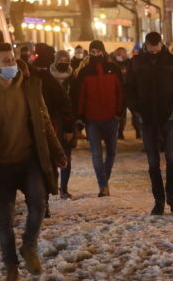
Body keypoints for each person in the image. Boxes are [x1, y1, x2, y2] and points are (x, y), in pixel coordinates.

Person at [0, 43, 67, 280]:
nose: (12, 64)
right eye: (6, 61)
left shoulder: (30, 86)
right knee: (4, 219)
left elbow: (45, 122)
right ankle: (11, 266)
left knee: (39, 204)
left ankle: (28, 245)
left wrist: (58, 151)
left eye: (13, 59)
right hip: (0, 166)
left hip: (29, 160)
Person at [125, 32, 173, 215]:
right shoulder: (137, 61)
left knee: (172, 159)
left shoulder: (170, 60)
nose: (154, 49)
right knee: (153, 163)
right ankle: (159, 200)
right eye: (151, 45)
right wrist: (136, 107)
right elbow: (128, 86)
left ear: (161, 44)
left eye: (157, 45)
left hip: (167, 116)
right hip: (146, 118)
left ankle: (172, 196)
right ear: (146, 45)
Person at [30, 45, 75, 214]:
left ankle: (45, 201)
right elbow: (65, 103)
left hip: (50, 126)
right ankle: (44, 200)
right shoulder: (40, 77)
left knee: (46, 163)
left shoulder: (42, 78)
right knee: (45, 164)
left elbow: (64, 103)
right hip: (48, 126)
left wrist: (69, 126)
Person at [76, 40, 123, 197]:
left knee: (111, 152)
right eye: (92, 52)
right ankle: (102, 185)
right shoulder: (85, 72)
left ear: (103, 51)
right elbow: (80, 96)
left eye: (97, 51)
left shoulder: (114, 69)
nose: (95, 54)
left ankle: (104, 180)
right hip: (92, 119)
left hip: (111, 117)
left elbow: (120, 92)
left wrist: (119, 112)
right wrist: (80, 117)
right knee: (96, 153)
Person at [49, 50, 77, 199]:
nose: (63, 62)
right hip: (51, 120)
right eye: (60, 59)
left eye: (66, 59)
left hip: (68, 120)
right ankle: (52, 185)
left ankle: (64, 188)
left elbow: (77, 98)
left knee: (66, 154)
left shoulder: (73, 77)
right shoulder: (48, 77)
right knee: (51, 155)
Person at [111, 47, 134, 140]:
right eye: (118, 53)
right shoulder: (113, 64)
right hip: (119, 92)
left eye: (121, 53)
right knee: (121, 113)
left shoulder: (130, 63)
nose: (120, 55)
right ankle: (120, 132)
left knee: (135, 113)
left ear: (125, 53)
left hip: (130, 91)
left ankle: (138, 132)